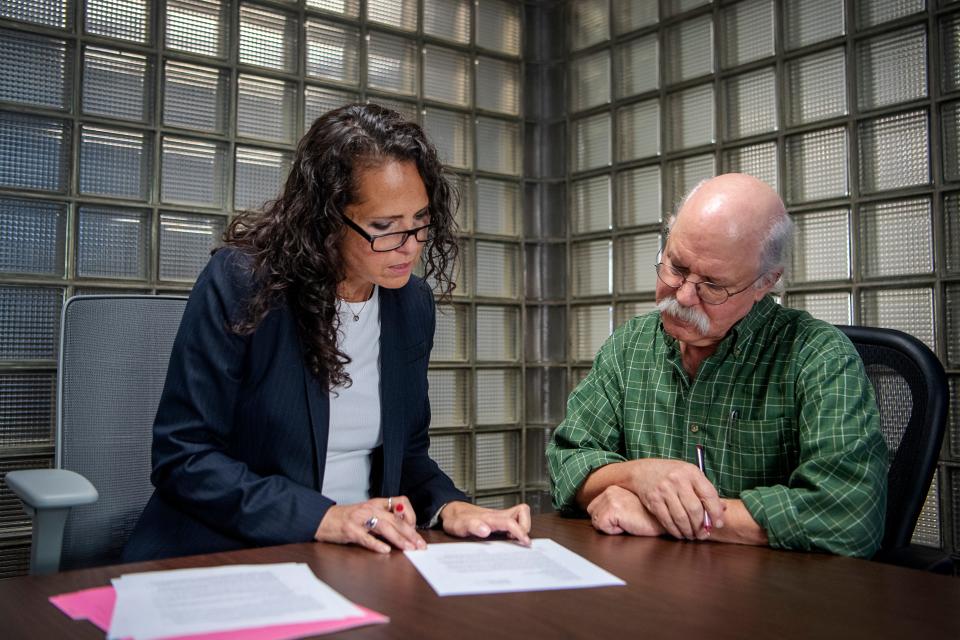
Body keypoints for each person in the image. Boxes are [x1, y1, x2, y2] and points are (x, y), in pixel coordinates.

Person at [124, 103, 530, 561]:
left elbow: (407, 455)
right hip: (228, 548)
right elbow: (185, 457)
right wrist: (325, 517)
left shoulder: (409, 304)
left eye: (419, 222)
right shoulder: (241, 283)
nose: (410, 247)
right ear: (326, 219)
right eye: (384, 227)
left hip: (357, 556)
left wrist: (449, 506)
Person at [547, 173, 888, 558]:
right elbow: (567, 462)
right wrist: (638, 476)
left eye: (713, 285)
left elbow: (850, 518)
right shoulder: (630, 346)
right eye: (675, 266)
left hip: (774, 598)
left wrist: (673, 520)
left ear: (765, 282)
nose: (684, 296)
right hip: (647, 587)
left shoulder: (819, 358)